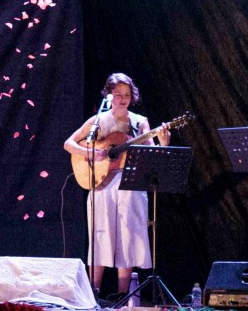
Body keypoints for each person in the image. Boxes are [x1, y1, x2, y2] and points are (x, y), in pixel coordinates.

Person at [62, 73, 170, 298]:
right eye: (118, 94)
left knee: (127, 235)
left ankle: (123, 294)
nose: (123, 99)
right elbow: (69, 144)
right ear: (109, 95)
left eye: (127, 95)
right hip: (101, 183)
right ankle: (93, 292)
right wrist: (94, 154)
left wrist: (163, 141)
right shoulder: (97, 121)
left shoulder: (139, 122)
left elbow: (152, 154)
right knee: (100, 233)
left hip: (130, 182)